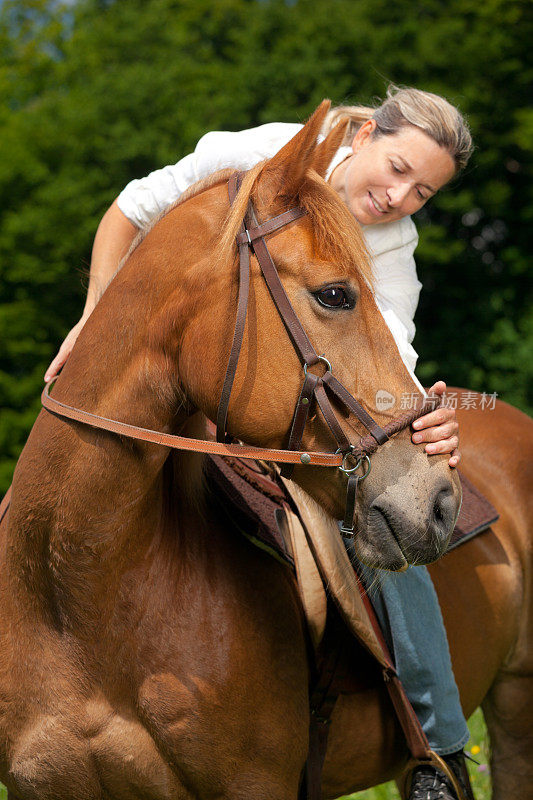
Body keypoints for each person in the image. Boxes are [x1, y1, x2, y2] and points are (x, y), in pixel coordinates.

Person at [44, 86, 474, 800]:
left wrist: (411, 414)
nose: (400, 196)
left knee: (387, 530)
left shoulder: (392, 242)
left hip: (270, 395)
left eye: (423, 191)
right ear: (364, 133)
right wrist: (94, 318)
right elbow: (132, 207)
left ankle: (435, 746)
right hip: (166, 368)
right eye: (397, 168)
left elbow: (387, 343)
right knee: (63, 463)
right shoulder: (256, 153)